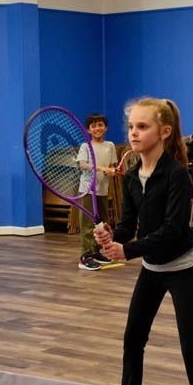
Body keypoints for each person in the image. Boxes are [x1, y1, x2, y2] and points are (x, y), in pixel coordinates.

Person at [92, 97, 193, 385]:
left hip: (182, 269)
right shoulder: (132, 175)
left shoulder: (177, 176)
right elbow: (128, 225)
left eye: (142, 126)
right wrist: (110, 234)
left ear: (164, 132)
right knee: (133, 337)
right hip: (152, 270)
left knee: (191, 348)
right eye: (131, 127)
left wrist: (129, 250)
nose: (134, 133)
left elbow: (171, 232)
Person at [76, 113, 118, 271]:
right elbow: (83, 165)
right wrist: (101, 169)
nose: (97, 128)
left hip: (103, 189)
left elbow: (113, 165)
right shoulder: (85, 146)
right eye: (93, 126)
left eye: (100, 125)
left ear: (105, 127)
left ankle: (95, 252)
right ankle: (85, 257)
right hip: (88, 190)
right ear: (88, 130)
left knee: (101, 223)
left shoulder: (110, 145)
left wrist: (113, 171)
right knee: (88, 224)